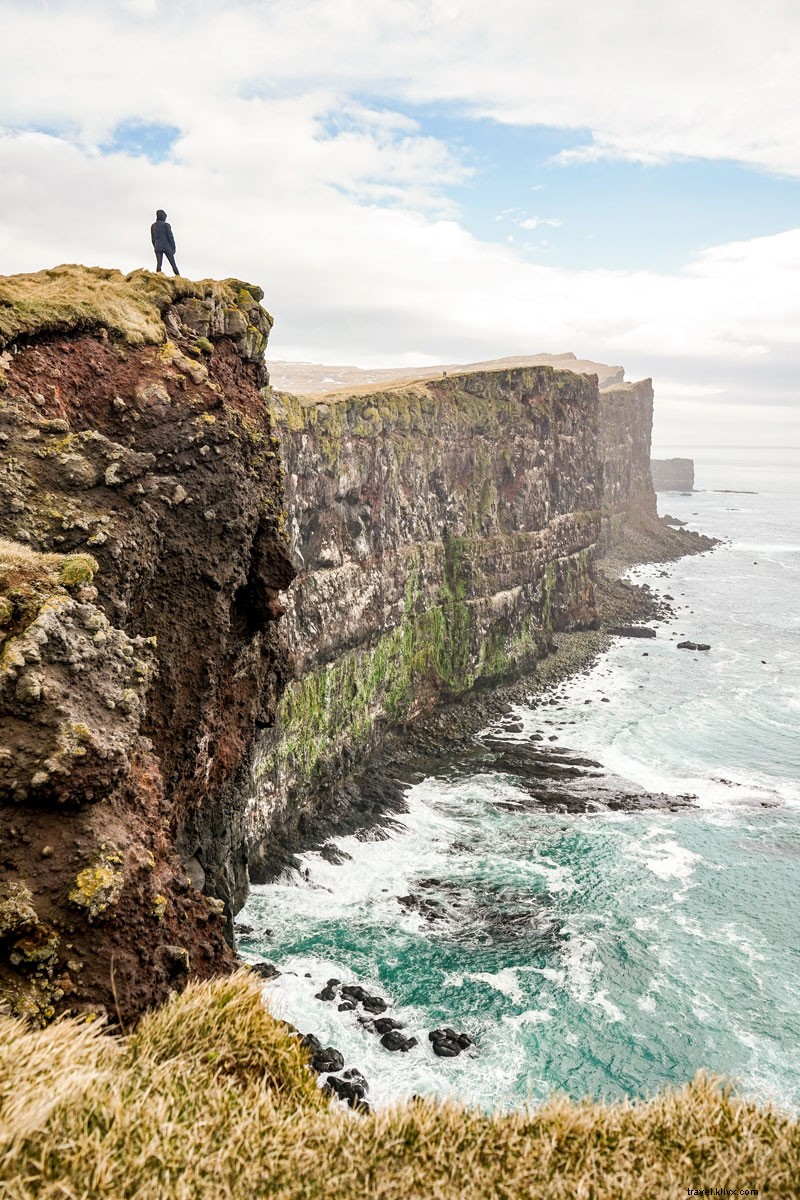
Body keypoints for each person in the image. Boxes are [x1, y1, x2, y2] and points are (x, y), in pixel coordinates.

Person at [150, 209, 180, 275]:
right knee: (173, 264)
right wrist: (173, 247)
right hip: (167, 246)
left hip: (158, 246)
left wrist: (155, 246)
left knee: (159, 264)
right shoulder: (166, 225)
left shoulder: (153, 226)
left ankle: (158, 277)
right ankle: (178, 277)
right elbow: (170, 237)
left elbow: (153, 238)